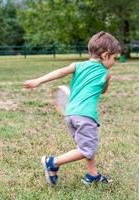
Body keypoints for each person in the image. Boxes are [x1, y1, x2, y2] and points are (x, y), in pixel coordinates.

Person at [23, 31, 121, 186]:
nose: (115, 61)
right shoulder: (105, 73)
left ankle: (92, 175)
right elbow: (102, 91)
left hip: (70, 114)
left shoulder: (77, 65)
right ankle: (52, 162)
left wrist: (38, 81)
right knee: (87, 149)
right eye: (116, 57)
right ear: (105, 55)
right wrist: (107, 79)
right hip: (86, 116)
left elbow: (59, 72)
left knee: (84, 146)